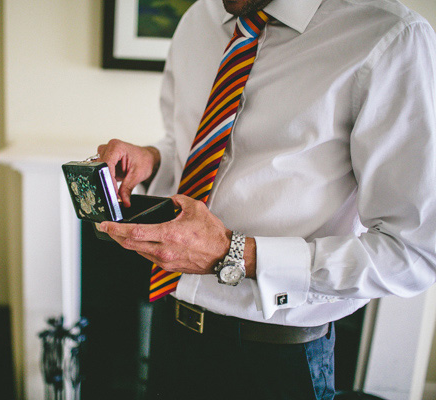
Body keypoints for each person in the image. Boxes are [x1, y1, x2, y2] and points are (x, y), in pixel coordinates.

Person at [95, 0, 436, 398]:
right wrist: (152, 160)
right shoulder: (198, 20)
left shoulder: (390, 37)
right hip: (172, 329)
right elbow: (189, 147)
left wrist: (235, 253)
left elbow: (413, 251)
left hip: (279, 359)